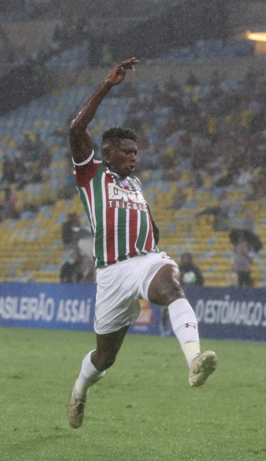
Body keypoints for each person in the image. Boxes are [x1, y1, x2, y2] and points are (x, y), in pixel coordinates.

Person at [65, 57, 217, 429]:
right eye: (127, 152)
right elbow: (75, 127)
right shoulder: (91, 173)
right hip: (112, 273)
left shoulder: (134, 184)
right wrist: (107, 84)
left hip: (145, 260)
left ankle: (194, 361)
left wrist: (153, 238)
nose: (135, 157)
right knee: (105, 357)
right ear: (108, 152)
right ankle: (80, 391)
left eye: (136, 152)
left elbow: (144, 220)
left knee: (172, 287)